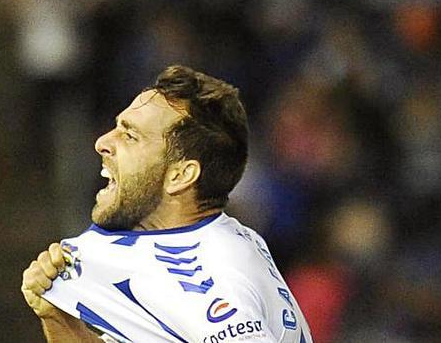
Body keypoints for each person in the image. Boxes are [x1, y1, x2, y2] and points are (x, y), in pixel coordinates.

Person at [20, 65, 313, 342]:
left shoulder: (212, 279)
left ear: (181, 175)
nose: (103, 142)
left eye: (130, 136)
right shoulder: (190, 245)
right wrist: (57, 318)